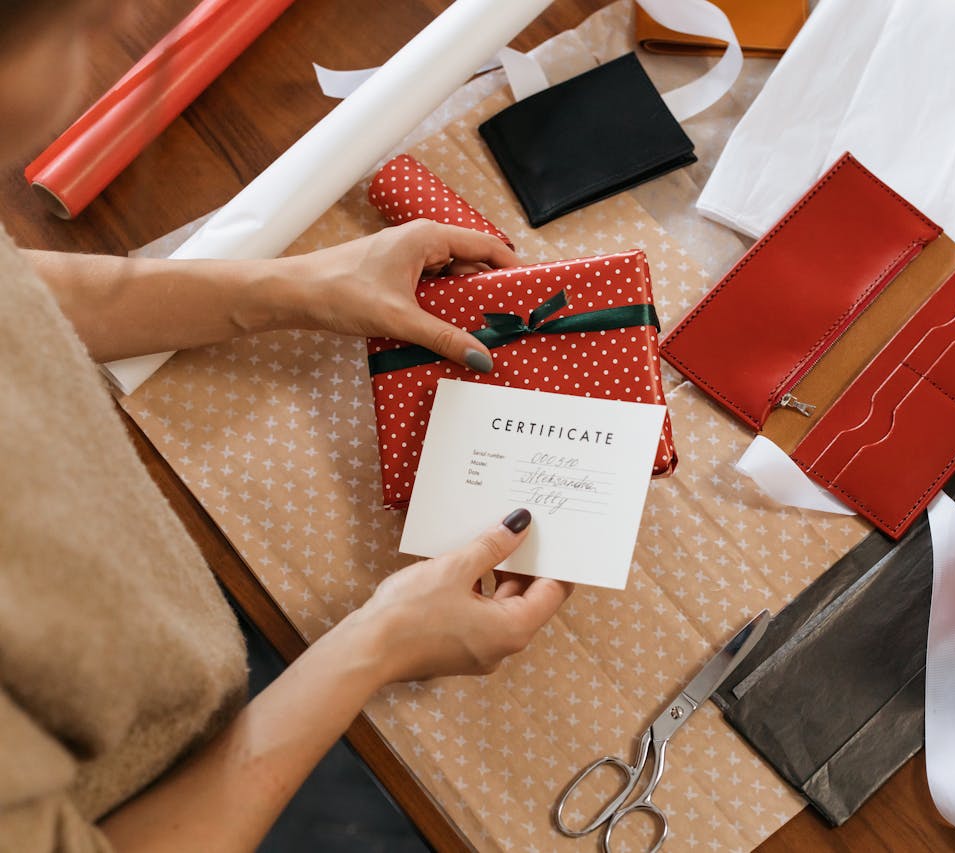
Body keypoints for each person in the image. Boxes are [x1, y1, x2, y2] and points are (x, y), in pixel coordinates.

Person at [0, 2, 572, 851]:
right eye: (79, 29)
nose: (112, 40)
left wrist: (294, 287)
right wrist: (375, 646)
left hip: (172, 654)